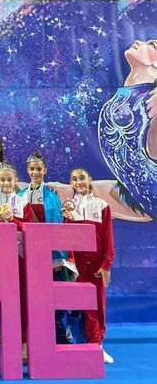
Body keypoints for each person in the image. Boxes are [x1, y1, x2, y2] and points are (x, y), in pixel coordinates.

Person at [99, 39, 157, 219]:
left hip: (149, 196)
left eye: (152, 45)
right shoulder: (126, 97)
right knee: (60, 191)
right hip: (135, 198)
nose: (138, 41)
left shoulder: (151, 101)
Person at [64, 167, 115, 364]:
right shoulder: (68, 207)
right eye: (74, 179)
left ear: (90, 179)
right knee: (82, 305)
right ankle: (87, 342)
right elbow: (65, 238)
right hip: (76, 265)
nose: (78, 182)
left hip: (95, 264)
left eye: (82, 178)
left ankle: (98, 343)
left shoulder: (101, 205)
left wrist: (106, 263)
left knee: (98, 304)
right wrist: (67, 219)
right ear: (71, 183)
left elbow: (107, 236)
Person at [0, 163, 33, 349]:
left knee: (21, 299)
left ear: (16, 181)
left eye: (9, 180)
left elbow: (31, 229)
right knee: (2, 298)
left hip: (19, 256)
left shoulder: (23, 202)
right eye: (3, 180)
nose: (6, 183)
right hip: (0, 257)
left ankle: (23, 341)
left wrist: (12, 220)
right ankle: (4, 335)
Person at [18, 151, 77, 276]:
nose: (35, 172)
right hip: (26, 247)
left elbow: (56, 228)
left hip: (46, 250)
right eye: (32, 169)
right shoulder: (20, 195)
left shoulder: (51, 196)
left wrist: (56, 257)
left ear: (45, 170)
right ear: (28, 170)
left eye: (39, 169)